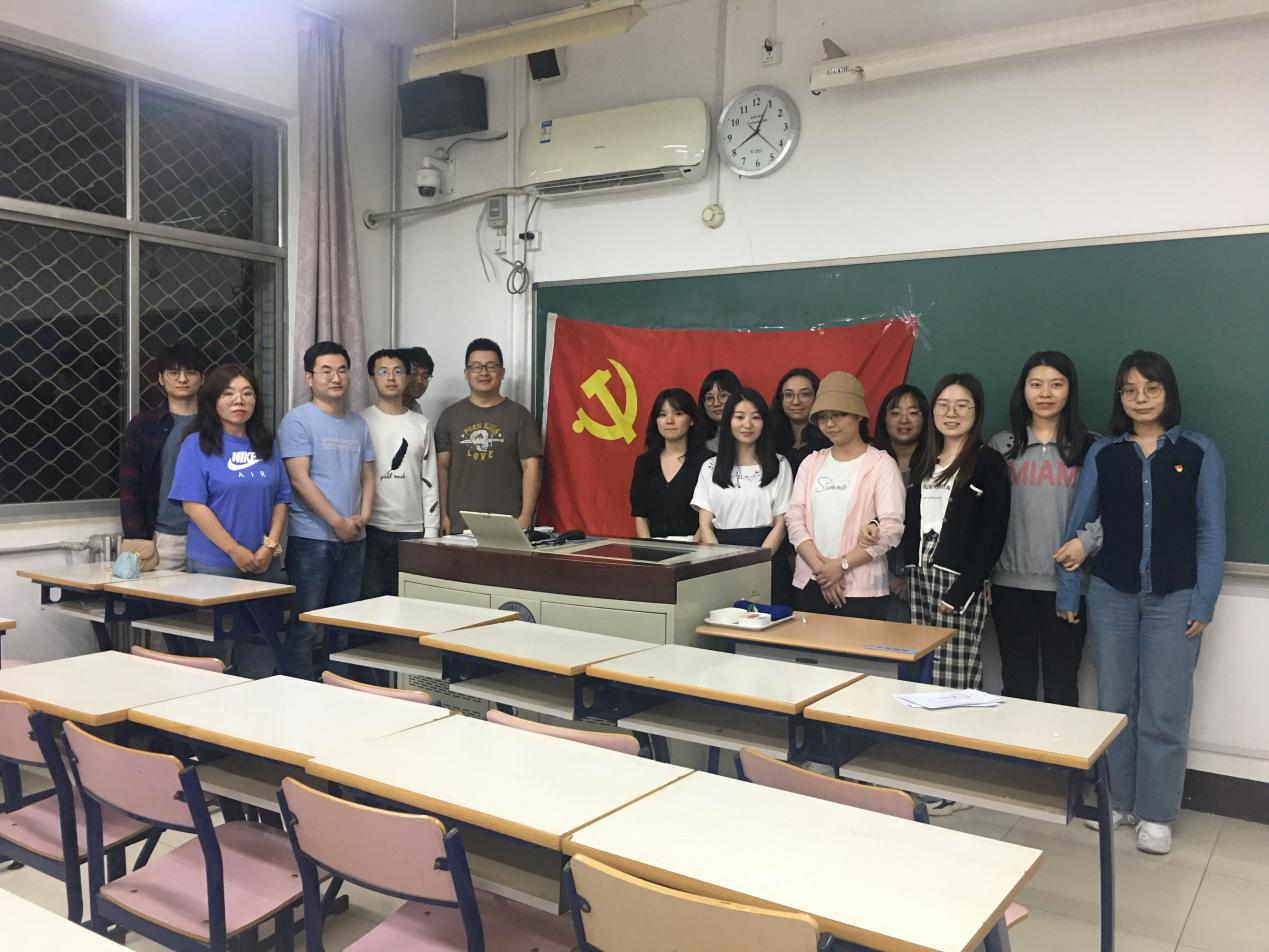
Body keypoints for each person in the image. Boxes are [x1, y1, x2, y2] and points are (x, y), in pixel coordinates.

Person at [1056, 351, 1225, 856]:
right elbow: (1079, 526)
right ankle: (1117, 801)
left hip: (1176, 597)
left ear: (1168, 393)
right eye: (1130, 390)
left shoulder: (1198, 451)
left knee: (1165, 709)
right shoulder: (1104, 453)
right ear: (1120, 398)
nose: (1141, 399)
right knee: (1113, 704)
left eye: (1151, 389)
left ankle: (1156, 813)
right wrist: (1068, 590)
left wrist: (1205, 599)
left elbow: (1211, 531)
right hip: (1111, 594)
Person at [988, 352, 1099, 706]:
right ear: (1023, 390)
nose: (1045, 393)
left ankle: (1060, 748)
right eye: (1035, 384)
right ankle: (1017, 746)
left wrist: (1088, 541)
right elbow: (984, 516)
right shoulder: (1002, 445)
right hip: (1009, 586)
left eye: (1056, 384)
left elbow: (1114, 509)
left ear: (1070, 390)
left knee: (1062, 686)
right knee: (1016, 684)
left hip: (1068, 586)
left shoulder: (1091, 447)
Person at [168, 364, 289, 678]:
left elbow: (281, 499)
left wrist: (270, 546)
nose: (240, 401)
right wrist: (235, 550)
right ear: (213, 401)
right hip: (214, 563)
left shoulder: (266, 444)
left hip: (263, 563)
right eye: (229, 394)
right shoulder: (195, 445)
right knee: (215, 655)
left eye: (247, 393)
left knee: (262, 647)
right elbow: (193, 506)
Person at [901, 374, 1010, 690]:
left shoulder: (988, 462)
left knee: (954, 675)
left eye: (962, 406)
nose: (951, 413)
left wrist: (964, 589)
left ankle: (957, 724)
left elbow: (993, 532)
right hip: (919, 575)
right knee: (921, 670)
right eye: (943, 405)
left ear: (976, 412)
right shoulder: (923, 459)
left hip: (958, 580)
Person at [279, 341, 375, 679]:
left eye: (342, 370)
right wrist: (336, 521)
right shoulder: (297, 420)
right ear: (309, 378)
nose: (336, 378)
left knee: (343, 626)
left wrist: (363, 516)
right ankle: (296, 693)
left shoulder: (358, 424)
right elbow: (299, 480)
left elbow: (367, 475)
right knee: (306, 626)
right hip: (312, 540)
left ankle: (338, 691)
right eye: (326, 371)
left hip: (354, 539)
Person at [786, 372, 905, 621]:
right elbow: (795, 520)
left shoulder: (881, 464)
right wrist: (823, 571)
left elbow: (891, 528)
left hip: (864, 591)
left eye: (839, 415)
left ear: (859, 415)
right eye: (823, 417)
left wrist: (841, 565)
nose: (830, 424)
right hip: (810, 583)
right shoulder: (811, 463)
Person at [436, 338, 543, 534]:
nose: (484, 372)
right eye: (476, 367)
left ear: (502, 373)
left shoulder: (520, 415)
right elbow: (441, 468)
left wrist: (526, 517)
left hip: (509, 525)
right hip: (459, 526)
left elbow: (532, 467)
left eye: (491, 366)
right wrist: (443, 515)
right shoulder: (449, 416)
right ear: (466, 373)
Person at [692, 388, 792, 596]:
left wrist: (756, 564)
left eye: (755, 417)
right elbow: (705, 525)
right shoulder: (710, 467)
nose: (747, 424)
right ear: (728, 421)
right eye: (739, 417)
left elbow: (781, 525)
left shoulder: (780, 464)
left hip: (767, 558)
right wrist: (722, 564)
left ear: (764, 423)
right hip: (719, 561)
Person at [359, 348, 440, 599]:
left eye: (398, 372)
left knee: (408, 603)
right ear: (372, 378)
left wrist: (431, 531)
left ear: (406, 377)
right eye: (383, 372)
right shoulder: (360, 422)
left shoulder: (421, 424)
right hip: (371, 528)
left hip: (413, 531)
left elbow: (430, 480)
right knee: (370, 603)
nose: (391, 378)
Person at [119, 344, 205, 571]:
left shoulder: (216, 425)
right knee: (159, 594)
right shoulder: (143, 426)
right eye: (173, 373)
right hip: (163, 538)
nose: (182, 379)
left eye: (191, 372)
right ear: (160, 378)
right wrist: (139, 539)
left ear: (202, 379)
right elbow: (130, 487)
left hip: (212, 536)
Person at [872, 384, 930, 622]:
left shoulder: (938, 465)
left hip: (925, 580)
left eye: (913, 412)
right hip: (872, 573)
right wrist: (887, 577)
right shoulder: (870, 462)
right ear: (883, 419)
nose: (904, 419)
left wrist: (910, 582)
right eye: (895, 412)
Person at [629, 388, 713, 540]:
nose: (669, 421)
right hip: (652, 547)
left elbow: (711, 513)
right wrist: (647, 547)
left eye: (678, 413)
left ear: (692, 420)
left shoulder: (709, 462)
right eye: (662, 415)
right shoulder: (644, 463)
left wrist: (694, 546)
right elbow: (640, 515)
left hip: (696, 545)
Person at [770, 368, 830, 473]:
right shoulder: (769, 439)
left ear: (817, 397)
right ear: (780, 400)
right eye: (788, 395)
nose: (796, 402)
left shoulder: (830, 437)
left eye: (805, 394)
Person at [695, 369, 742, 453]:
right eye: (709, 398)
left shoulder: (749, 434)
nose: (716, 403)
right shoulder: (698, 442)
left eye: (723, 396)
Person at [402, 345, 434, 412]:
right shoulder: (383, 411)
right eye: (414, 374)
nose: (420, 381)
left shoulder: (416, 409)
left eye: (425, 376)